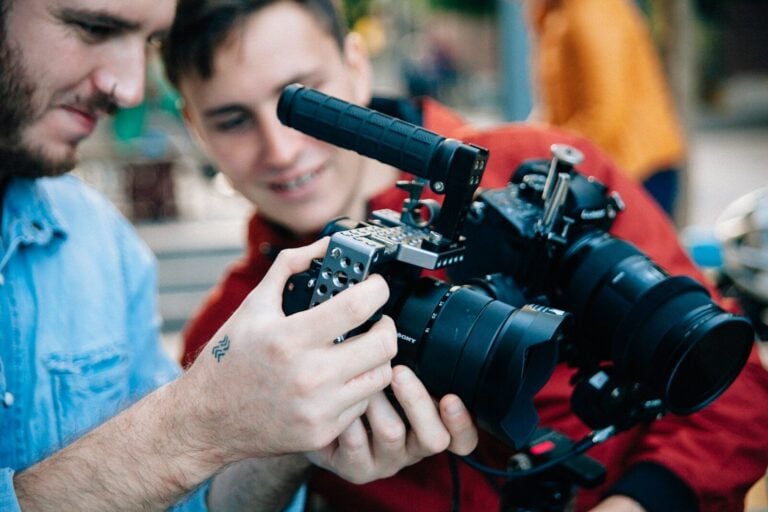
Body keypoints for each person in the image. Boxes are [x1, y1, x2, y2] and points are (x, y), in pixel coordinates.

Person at [164, 0, 768, 511]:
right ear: (194, 127)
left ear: (354, 64)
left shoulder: (536, 176)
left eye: (302, 97)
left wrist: (637, 504)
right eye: (232, 119)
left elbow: (729, 377)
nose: (282, 149)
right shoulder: (238, 326)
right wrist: (290, 435)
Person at [0, 0, 478, 510]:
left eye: (148, 44)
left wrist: (284, 435)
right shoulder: (223, 331)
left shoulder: (104, 247)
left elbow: (180, 499)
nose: (130, 89)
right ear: (194, 126)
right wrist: (205, 424)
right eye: (92, 27)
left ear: (357, 67)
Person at [526, 0, 686, 218]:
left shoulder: (591, 10)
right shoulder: (559, 11)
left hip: (635, 171)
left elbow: (603, 115)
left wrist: (547, 156)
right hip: (613, 169)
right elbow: (557, 108)